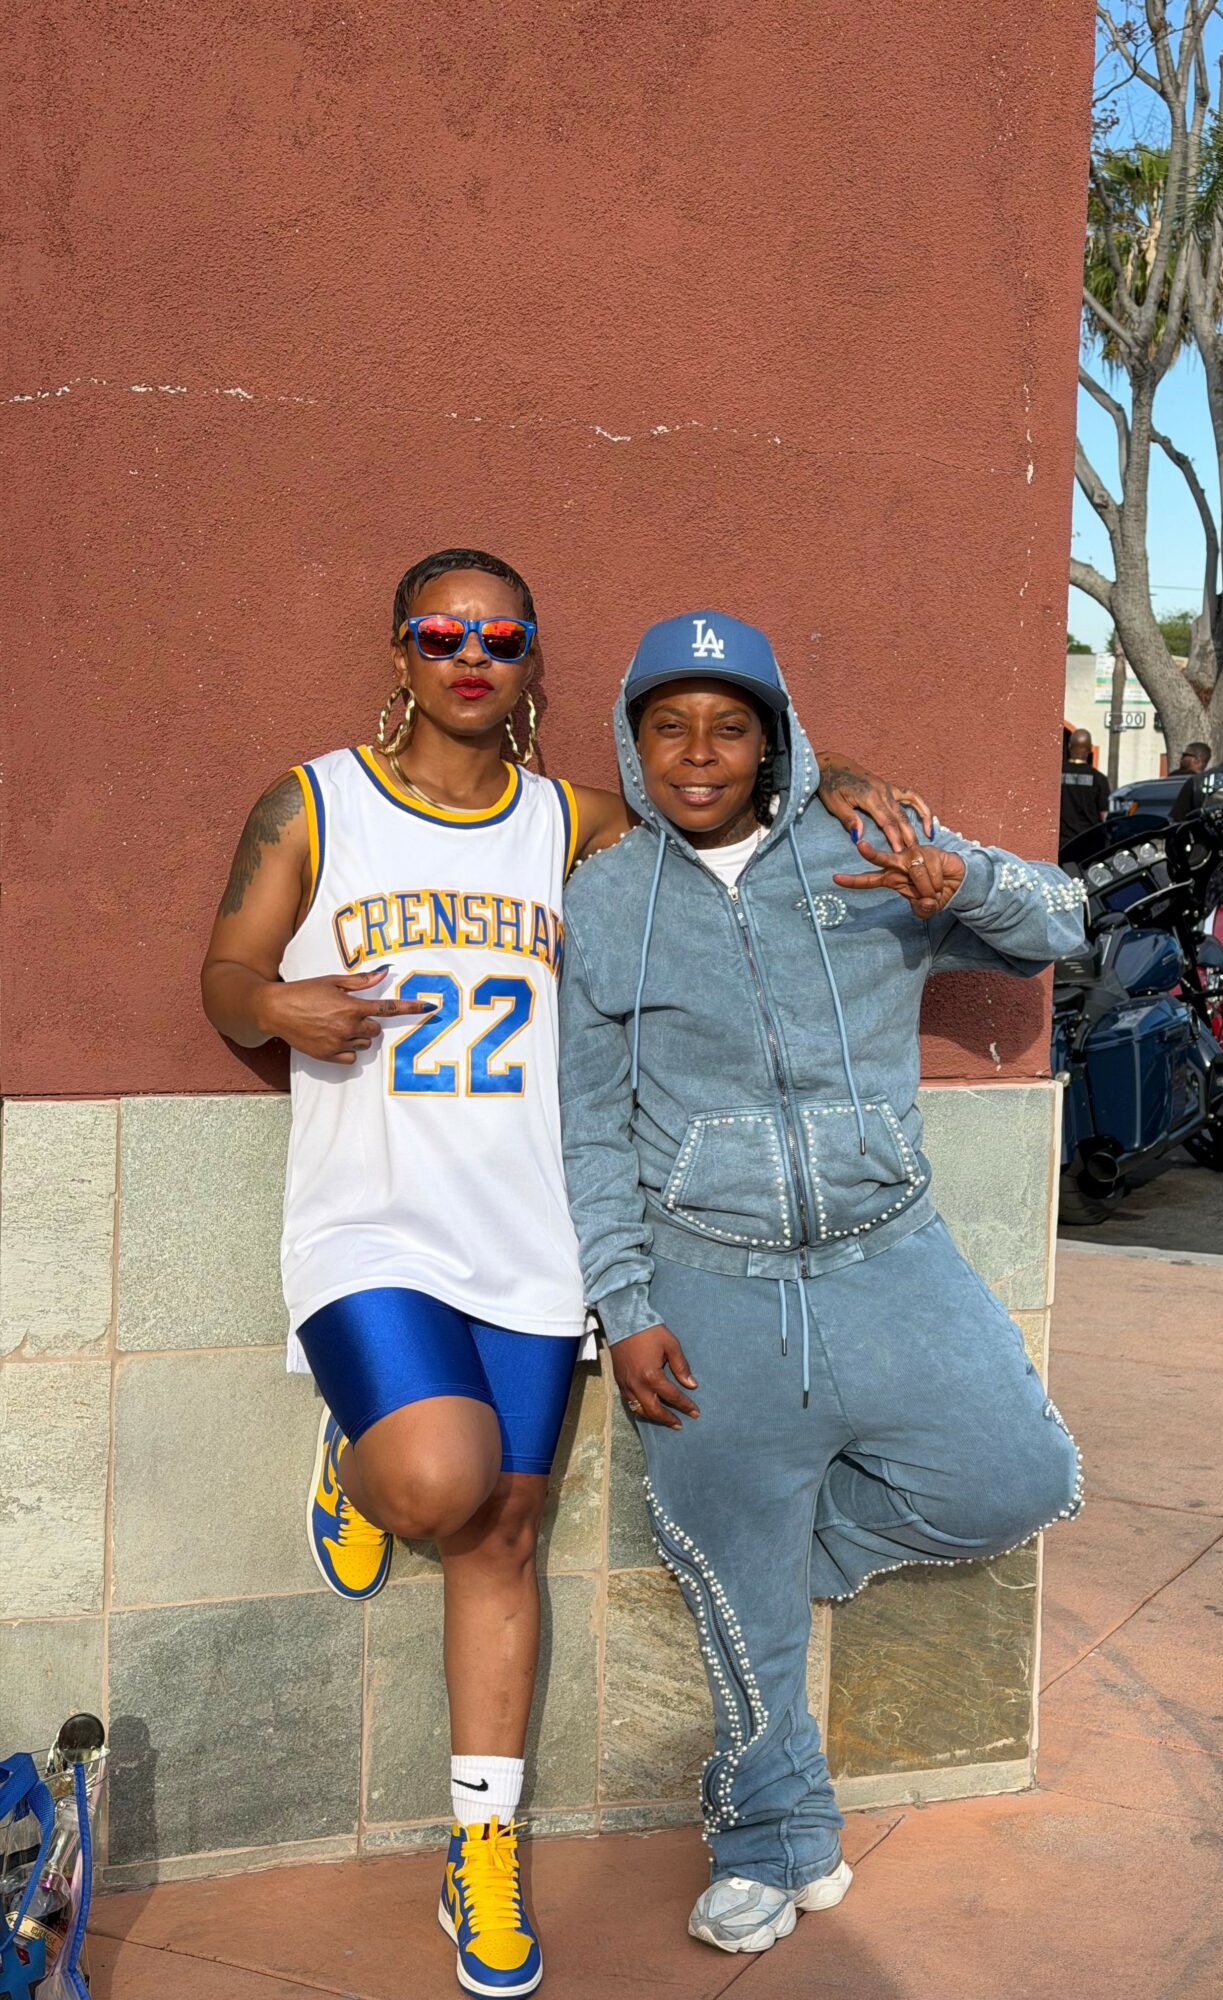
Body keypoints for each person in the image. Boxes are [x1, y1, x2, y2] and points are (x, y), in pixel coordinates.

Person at [199, 552, 920, 2000]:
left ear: (531, 662)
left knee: (504, 1533)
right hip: (375, 1221)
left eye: (501, 636)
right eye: (440, 633)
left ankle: (481, 1854)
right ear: (400, 654)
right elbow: (223, 975)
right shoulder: (313, 803)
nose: (469, 654)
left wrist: (832, 770)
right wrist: (272, 1000)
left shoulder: (572, 824)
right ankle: (362, 1455)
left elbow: (721, 792)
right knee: (436, 1481)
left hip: (533, 1239)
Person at [558, 611, 1086, 1959]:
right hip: (709, 1285)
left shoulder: (869, 845)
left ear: (773, 737)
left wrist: (959, 882)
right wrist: (626, 1305)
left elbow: (1062, 923)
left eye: (729, 725)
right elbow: (590, 1125)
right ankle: (768, 1837)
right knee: (740, 1605)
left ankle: (771, 1549)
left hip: (889, 1256)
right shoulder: (609, 899)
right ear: (631, 740)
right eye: (669, 726)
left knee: (1020, 1476)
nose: (698, 753)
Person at [1058, 727, 1111, 851]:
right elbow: (1104, 815)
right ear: (1090, 749)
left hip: (1062, 841)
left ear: (1069, 746)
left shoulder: (1056, 776)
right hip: (1089, 841)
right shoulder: (1099, 779)